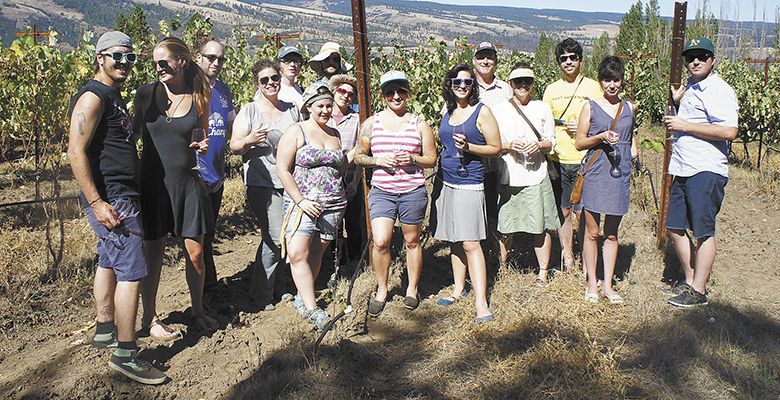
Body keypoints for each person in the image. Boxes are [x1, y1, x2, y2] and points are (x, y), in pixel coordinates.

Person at [67, 31, 166, 384]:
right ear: (100, 58)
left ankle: (105, 328)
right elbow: (75, 151)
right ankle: (126, 352)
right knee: (132, 270)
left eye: (130, 58)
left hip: (120, 194)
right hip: (114, 198)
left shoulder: (112, 96)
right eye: (116, 57)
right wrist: (96, 202)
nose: (124, 63)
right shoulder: (93, 97)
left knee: (109, 259)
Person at [135, 36, 218, 337]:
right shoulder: (145, 94)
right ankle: (150, 318)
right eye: (155, 63)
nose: (158, 68)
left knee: (195, 253)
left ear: (182, 60)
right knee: (152, 252)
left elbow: (202, 136)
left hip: (187, 183)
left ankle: (197, 310)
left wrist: (203, 143)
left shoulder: (200, 94)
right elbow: (131, 139)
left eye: (164, 62)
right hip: (153, 185)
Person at [354, 71, 437, 317]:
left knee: (412, 241)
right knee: (380, 241)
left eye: (401, 91)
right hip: (382, 191)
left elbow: (431, 159)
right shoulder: (371, 123)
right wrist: (379, 160)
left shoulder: (419, 124)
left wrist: (412, 158)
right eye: (390, 92)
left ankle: (412, 289)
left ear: (408, 94)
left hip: (412, 190)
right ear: (383, 96)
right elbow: (359, 156)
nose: (396, 96)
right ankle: (382, 289)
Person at [663, 37, 738, 308]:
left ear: (712, 60)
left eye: (702, 56)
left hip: (705, 168)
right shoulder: (693, 87)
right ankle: (690, 280)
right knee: (673, 225)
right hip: (684, 166)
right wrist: (679, 99)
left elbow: (729, 131)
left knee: (703, 231)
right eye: (690, 57)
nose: (695, 61)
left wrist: (685, 125)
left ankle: (699, 290)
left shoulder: (719, 89)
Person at [431, 64, 501, 324]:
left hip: (470, 182)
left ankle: (481, 303)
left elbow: (497, 147)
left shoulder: (482, 112)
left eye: (467, 83)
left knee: (471, 242)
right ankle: (458, 289)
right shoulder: (448, 111)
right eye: (457, 82)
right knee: (454, 238)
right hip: (445, 180)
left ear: (473, 86)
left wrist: (470, 146)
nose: (462, 86)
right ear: (450, 84)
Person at [230, 59, 300, 310]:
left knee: (287, 235)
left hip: (290, 182)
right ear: (257, 84)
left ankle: (278, 287)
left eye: (274, 78)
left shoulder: (292, 109)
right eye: (264, 80)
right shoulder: (249, 110)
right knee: (274, 236)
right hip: (262, 183)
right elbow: (234, 146)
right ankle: (261, 292)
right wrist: (249, 139)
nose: (270, 83)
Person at [276, 83, 347, 329]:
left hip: (334, 202)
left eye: (329, 105)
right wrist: (301, 200)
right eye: (320, 106)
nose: (326, 110)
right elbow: (283, 169)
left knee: (317, 252)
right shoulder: (296, 131)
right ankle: (312, 308)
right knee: (297, 253)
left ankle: (302, 298)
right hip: (304, 203)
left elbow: (340, 166)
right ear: (309, 107)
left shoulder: (335, 133)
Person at [574, 56, 637, 304]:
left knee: (611, 233)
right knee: (591, 231)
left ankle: (608, 286)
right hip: (596, 171)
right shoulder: (590, 107)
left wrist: (633, 151)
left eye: (616, 80)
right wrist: (599, 137)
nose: (612, 85)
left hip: (618, 174)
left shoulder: (630, 108)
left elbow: (632, 136)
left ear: (622, 81)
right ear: (600, 81)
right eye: (607, 79)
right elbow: (579, 143)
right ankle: (592, 284)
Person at [492, 62, 560, 286]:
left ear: (532, 84)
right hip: (509, 174)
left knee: (539, 225)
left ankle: (542, 272)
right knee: (506, 224)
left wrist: (539, 145)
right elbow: (492, 143)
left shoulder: (542, 108)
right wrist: (509, 145)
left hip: (536, 174)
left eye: (527, 81)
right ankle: (501, 268)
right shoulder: (499, 109)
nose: (523, 85)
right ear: (510, 84)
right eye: (518, 81)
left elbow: (552, 141)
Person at [542, 38, 603, 271]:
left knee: (585, 213)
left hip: (585, 160)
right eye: (563, 58)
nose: (568, 62)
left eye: (573, 57)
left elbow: (603, 119)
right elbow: (543, 122)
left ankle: (587, 260)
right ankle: (567, 256)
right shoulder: (551, 90)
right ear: (558, 62)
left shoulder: (593, 88)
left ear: (580, 60)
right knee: (564, 211)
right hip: (557, 160)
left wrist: (582, 129)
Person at [195, 38, 235, 302]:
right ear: (198, 57)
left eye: (220, 58)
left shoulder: (222, 89)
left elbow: (231, 125)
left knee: (209, 232)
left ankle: (208, 287)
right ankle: (204, 293)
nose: (216, 63)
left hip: (216, 174)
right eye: (211, 57)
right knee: (197, 235)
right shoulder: (188, 88)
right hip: (195, 173)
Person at [472, 41, 512, 266]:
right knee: (479, 208)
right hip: (475, 160)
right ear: (474, 60)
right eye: (481, 57)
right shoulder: (466, 85)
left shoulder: (506, 89)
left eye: (490, 57)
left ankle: (498, 257)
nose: (485, 61)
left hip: (501, 160)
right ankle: (481, 254)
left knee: (499, 207)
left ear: (496, 61)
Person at [327, 74, 366, 272]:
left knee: (353, 223)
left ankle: (355, 263)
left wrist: (355, 181)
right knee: (333, 224)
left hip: (349, 179)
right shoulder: (323, 116)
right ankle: (336, 263)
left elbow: (360, 150)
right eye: (342, 91)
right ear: (334, 92)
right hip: (327, 180)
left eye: (350, 94)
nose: (345, 96)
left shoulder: (357, 119)